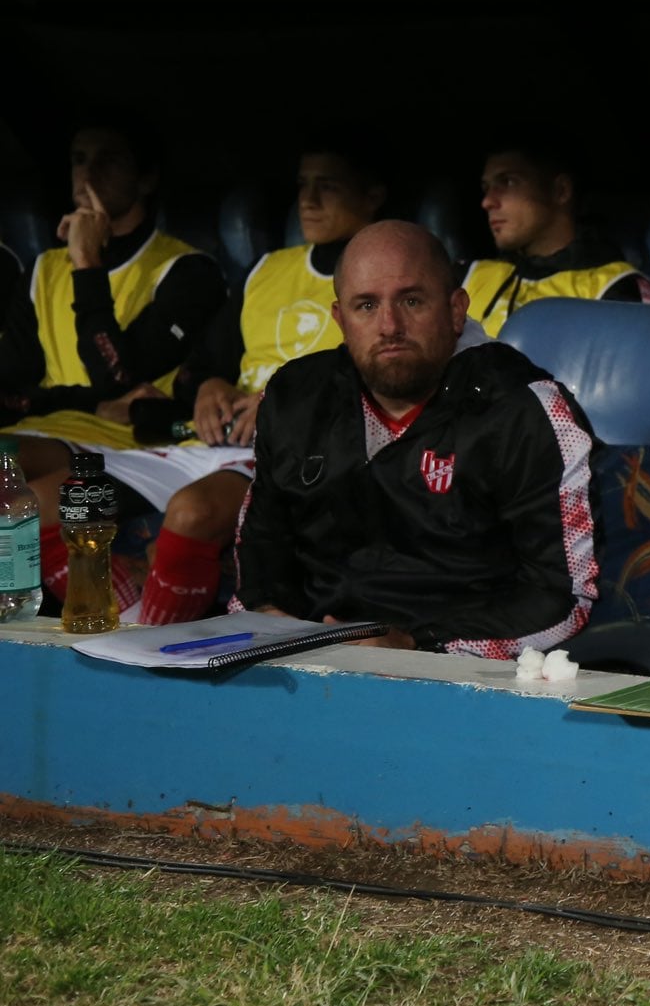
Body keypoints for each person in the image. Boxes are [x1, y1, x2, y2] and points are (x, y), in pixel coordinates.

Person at [232, 220, 600, 656]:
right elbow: (260, 552)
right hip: (312, 660)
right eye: (366, 306)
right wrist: (270, 617)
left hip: (457, 672)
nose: (390, 326)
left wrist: (416, 645)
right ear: (340, 319)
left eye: (411, 300)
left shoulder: (527, 411)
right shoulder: (295, 396)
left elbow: (562, 597)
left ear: (456, 309)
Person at [82, 146, 388, 625]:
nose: (307, 200)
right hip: (217, 438)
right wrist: (208, 387)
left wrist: (283, 404)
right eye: (303, 184)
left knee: (189, 512)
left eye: (327, 186)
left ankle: (148, 646)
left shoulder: (385, 284)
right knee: (60, 502)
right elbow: (204, 364)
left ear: (373, 196)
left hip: (295, 450)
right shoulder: (267, 269)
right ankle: (126, 621)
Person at [0, 108, 227, 611]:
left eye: (109, 161)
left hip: (127, 441)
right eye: (79, 160)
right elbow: (10, 386)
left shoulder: (186, 270)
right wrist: (73, 400)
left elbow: (119, 377)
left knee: (19, 509)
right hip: (49, 429)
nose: (88, 173)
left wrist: (86, 263)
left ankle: (92, 621)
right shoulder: (42, 269)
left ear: (146, 178)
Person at [460, 140, 650, 337]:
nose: (487, 202)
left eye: (508, 182)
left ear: (561, 191)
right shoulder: (467, 275)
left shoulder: (615, 289)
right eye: (487, 188)